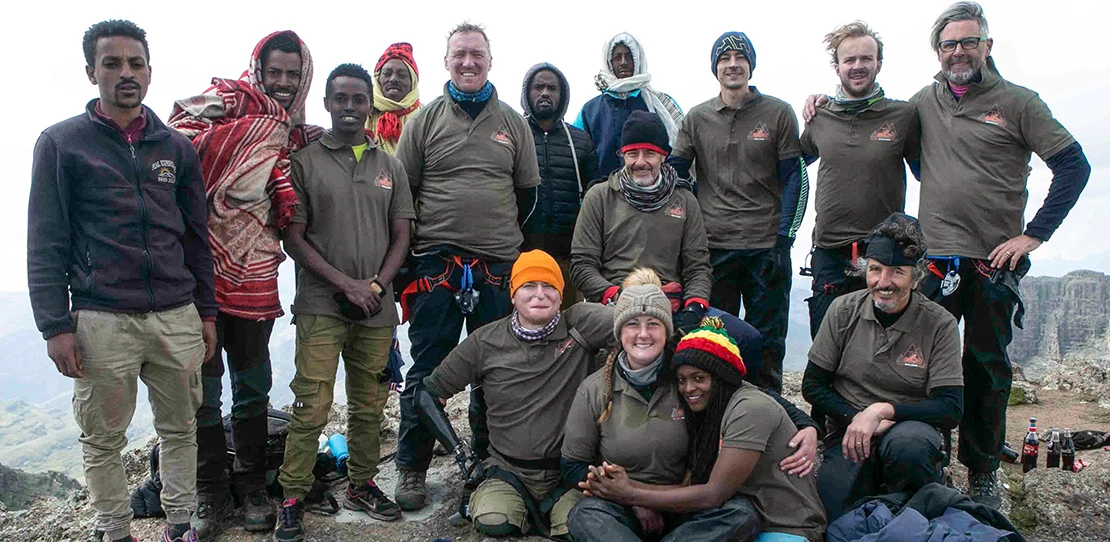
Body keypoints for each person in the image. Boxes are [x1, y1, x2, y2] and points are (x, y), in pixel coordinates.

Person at [28, 19, 217, 542]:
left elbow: (196, 238)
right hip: (100, 317)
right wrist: (54, 326)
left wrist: (206, 312)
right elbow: (45, 241)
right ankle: (115, 531)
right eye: (112, 63)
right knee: (103, 438)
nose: (125, 73)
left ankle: (180, 524)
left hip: (175, 313)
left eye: (135, 63)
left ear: (150, 73)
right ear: (92, 71)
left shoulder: (175, 148)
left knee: (181, 428)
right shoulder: (62, 144)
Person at [913, 1, 1089, 508]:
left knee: (987, 366)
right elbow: (905, 151)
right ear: (938, 51)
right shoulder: (924, 102)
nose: (959, 52)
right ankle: (933, 460)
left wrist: (1033, 236)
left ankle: (983, 470)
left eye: (969, 41)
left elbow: (1074, 166)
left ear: (987, 46)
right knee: (928, 365)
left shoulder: (1018, 102)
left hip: (996, 261)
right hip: (935, 262)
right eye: (949, 44)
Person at [168, 29, 322, 536]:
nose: (281, 83)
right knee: (204, 391)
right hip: (202, 269)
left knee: (254, 387)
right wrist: (256, 134)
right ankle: (211, 491)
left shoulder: (295, 131)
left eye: (291, 75)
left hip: (256, 269)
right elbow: (178, 139)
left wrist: (284, 136)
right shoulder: (230, 101)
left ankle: (253, 483)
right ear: (257, 70)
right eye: (273, 72)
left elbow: (294, 160)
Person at [393, 22, 542, 512]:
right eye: (459, 54)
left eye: (476, 54)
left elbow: (526, 195)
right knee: (428, 366)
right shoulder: (425, 120)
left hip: (497, 266)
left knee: (498, 368)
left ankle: (491, 457)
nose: (468, 63)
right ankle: (411, 466)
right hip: (435, 263)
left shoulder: (512, 123)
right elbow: (404, 193)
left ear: (490, 61)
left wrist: (493, 236)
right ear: (447, 61)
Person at [562, 269, 822, 542]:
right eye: (632, 324)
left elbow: (746, 392)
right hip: (624, 505)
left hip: (688, 502)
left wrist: (807, 424)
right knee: (585, 514)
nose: (643, 334)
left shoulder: (688, 369)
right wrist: (632, 501)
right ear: (618, 332)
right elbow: (573, 465)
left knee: (741, 513)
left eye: (653, 323)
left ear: (666, 330)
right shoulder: (594, 389)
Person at [272, 64, 415, 541]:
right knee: (311, 403)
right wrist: (345, 284)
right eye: (341, 99)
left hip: (377, 308)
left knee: (370, 404)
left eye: (359, 100)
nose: (350, 107)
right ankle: (292, 495)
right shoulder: (305, 162)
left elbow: (402, 235)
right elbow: (294, 238)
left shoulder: (390, 167)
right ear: (328, 103)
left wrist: (374, 286)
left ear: (369, 106)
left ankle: (361, 483)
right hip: (320, 305)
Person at [414, 250, 614, 538]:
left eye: (549, 287)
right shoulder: (485, 341)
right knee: (493, 520)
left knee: (579, 526)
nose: (539, 294)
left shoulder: (580, 324)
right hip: (508, 470)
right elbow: (427, 395)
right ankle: (511, 508)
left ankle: (553, 517)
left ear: (561, 295)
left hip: (568, 473)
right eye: (528, 286)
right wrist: (461, 454)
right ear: (513, 295)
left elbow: (637, 325)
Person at [669, 32, 806, 393]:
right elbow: (676, 172)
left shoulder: (778, 113)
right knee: (715, 341)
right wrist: (690, 229)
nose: (732, 64)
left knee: (769, 341)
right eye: (724, 58)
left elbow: (795, 179)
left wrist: (784, 240)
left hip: (766, 247)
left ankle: (770, 419)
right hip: (715, 247)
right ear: (715, 67)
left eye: (740, 57)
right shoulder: (697, 118)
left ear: (751, 65)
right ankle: (719, 420)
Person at [803, 213, 963, 520]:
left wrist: (884, 412)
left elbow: (950, 407)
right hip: (850, 431)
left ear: (916, 278)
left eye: (897, 272)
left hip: (909, 430)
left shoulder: (939, 324)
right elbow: (813, 385)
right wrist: (856, 417)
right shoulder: (843, 310)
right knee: (833, 515)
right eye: (875, 270)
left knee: (910, 452)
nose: (883, 282)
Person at [799, 22, 920, 339]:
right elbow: (792, 164)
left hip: (885, 252)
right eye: (849, 60)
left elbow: (931, 172)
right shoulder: (819, 117)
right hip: (830, 252)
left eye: (866, 59)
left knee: (883, 344)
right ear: (836, 66)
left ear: (878, 63)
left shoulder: (903, 116)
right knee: (828, 345)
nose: (858, 66)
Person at [570, 111, 711, 332]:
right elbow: (582, 265)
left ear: (664, 156)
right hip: (613, 302)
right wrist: (615, 295)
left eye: (649, 153)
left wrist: (694, 306)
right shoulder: (599, 196)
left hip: (670, 303)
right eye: (632, 153)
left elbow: (698, 267)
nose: (640, 162)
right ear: (622, 155)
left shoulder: (684, 200)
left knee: (742, 336)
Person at [520, 62, 601, 308]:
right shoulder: (514, 133)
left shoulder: (580, 140)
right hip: (521, 254)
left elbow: (595, 194)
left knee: (568, 326)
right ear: (527, 94)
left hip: (568, 255)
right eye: (538, 87)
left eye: (552, 88)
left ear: (562, 95)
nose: (545, 93)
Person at [574, 33, 684, 178]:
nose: (624, 62)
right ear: (609, 63)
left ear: (638, 60)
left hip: (658, 194)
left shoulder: (663, 104)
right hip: (606, 196)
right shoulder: (589, 111)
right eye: (617, 57)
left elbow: (682, 148)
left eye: (629, 56)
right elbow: (578, 155)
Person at [367, 42, 421, 155]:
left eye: (402, 75)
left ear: (413, 82)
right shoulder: (363, 112)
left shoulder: (425, 117)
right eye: (387, 73)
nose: (393, 79)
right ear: (378, 79)